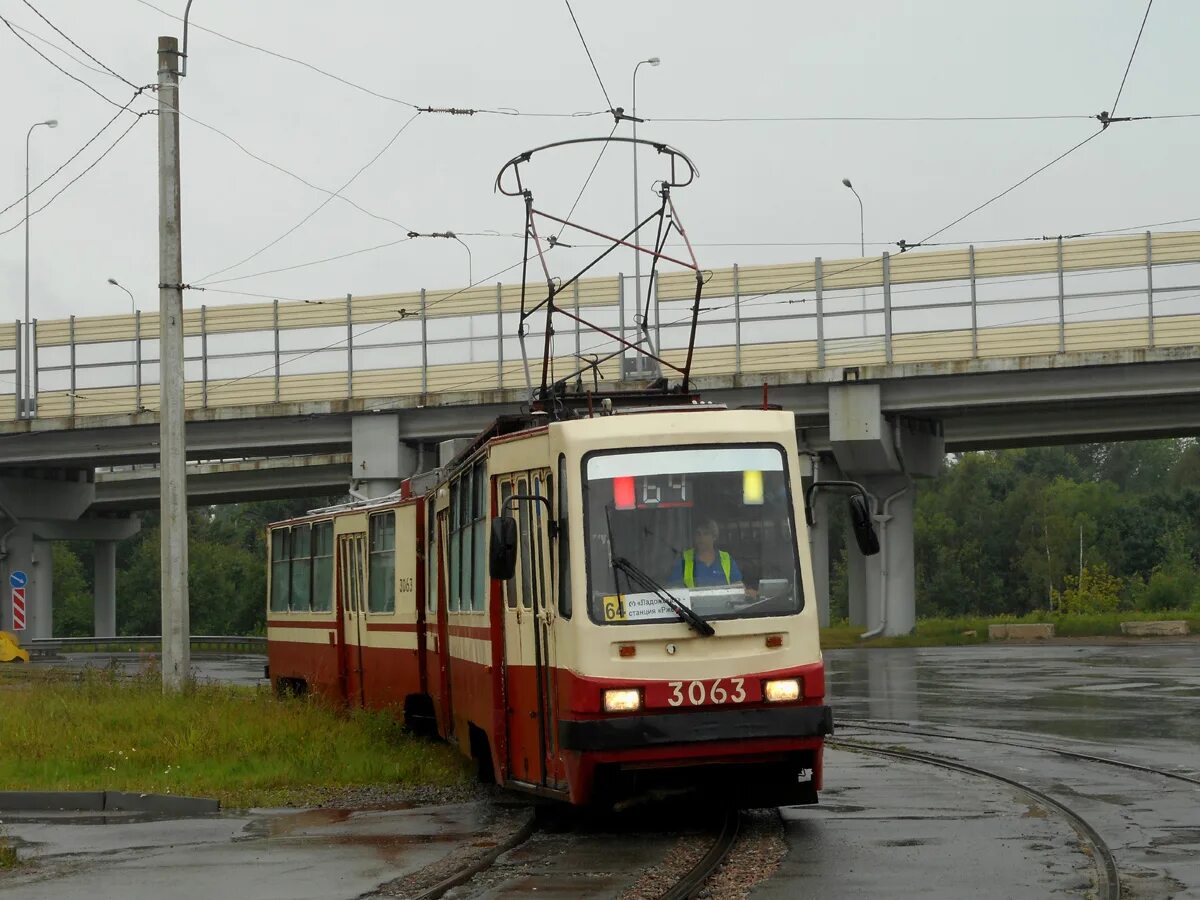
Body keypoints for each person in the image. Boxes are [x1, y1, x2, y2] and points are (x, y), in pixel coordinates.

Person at [668, 519, 751, 592]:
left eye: (706, 534)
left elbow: (738, 587)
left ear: (714, 537)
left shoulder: (726, 559)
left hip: (725, 608)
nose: (701, 538)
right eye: (698, 534)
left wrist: (746, 592)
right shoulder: (684, 559)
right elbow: (674, 590)